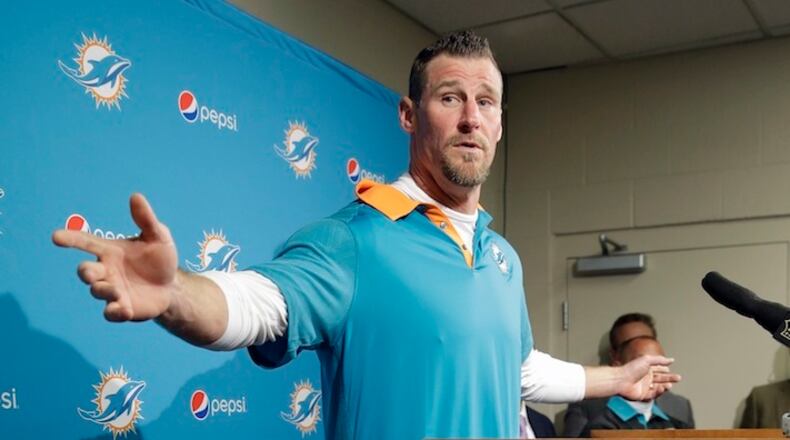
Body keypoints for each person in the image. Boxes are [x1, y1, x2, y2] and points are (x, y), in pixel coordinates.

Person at [52, 30, 679, 440]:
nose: (470, 117)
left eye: (486, 102)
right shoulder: (354, 240)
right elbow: (257, 304)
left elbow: (512, 367)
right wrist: (177, 294)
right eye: (449, 97)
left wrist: (616, 380)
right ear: (409, 114)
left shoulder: (501, 256)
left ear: (500, 125)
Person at [564, 336, 694, 437]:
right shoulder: (600, 424)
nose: (655, 369)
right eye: (644, 362)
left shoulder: (674, 424)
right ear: (618, 367)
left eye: (660, 361)